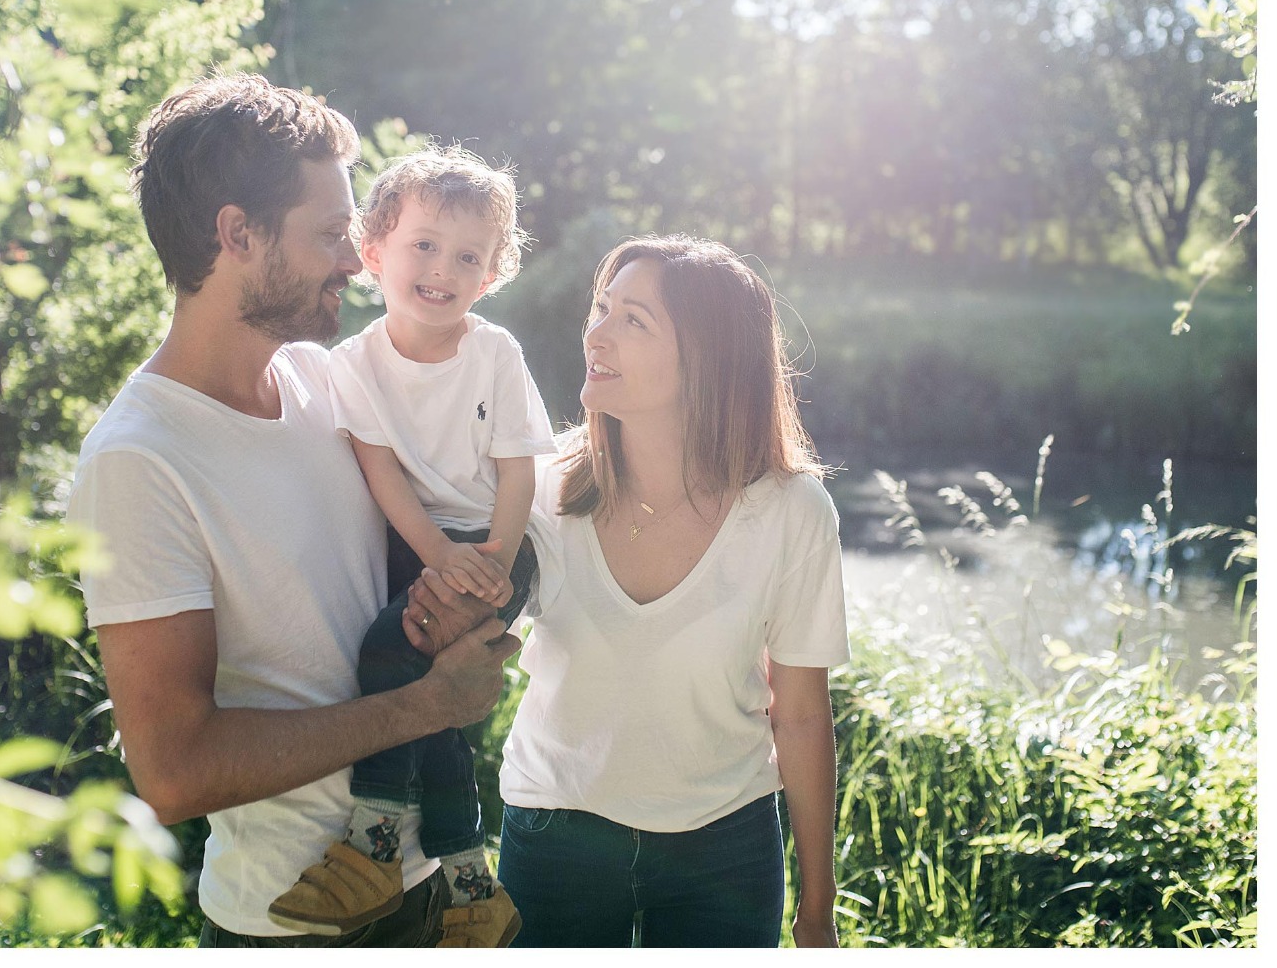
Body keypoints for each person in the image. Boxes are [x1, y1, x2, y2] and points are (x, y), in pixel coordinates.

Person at [64, 73, 520, 948]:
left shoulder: (322, 378)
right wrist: (424, 705)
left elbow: (466, 472)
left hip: (431, 886)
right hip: (293, 919)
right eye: (328, 233)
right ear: (238, 233)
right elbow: (174, 771)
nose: (354, 259)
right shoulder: (139, 459)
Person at [409, 235, 849, 948]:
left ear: (707, 358)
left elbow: (799, 715)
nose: (596, 333)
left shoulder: (792, 511)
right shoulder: (539, 489)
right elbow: (464, 634)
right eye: (601, 309)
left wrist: (817, 907)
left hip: (725, 847)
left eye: (633, 320)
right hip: (553, 834)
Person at [266, 147, 555, 947]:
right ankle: (471, 886)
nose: (441, 269)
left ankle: (373, 843)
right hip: (420, 544)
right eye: (423, 244)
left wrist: (492, 562)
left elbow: (518, 471)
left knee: (389, 650)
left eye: (467, 256)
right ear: (372, 251)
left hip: (497, 540)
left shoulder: (493, 353)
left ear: (490, 273)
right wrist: (434, 555)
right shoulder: (353, 363)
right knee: (434, 706)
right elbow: (382, 473)